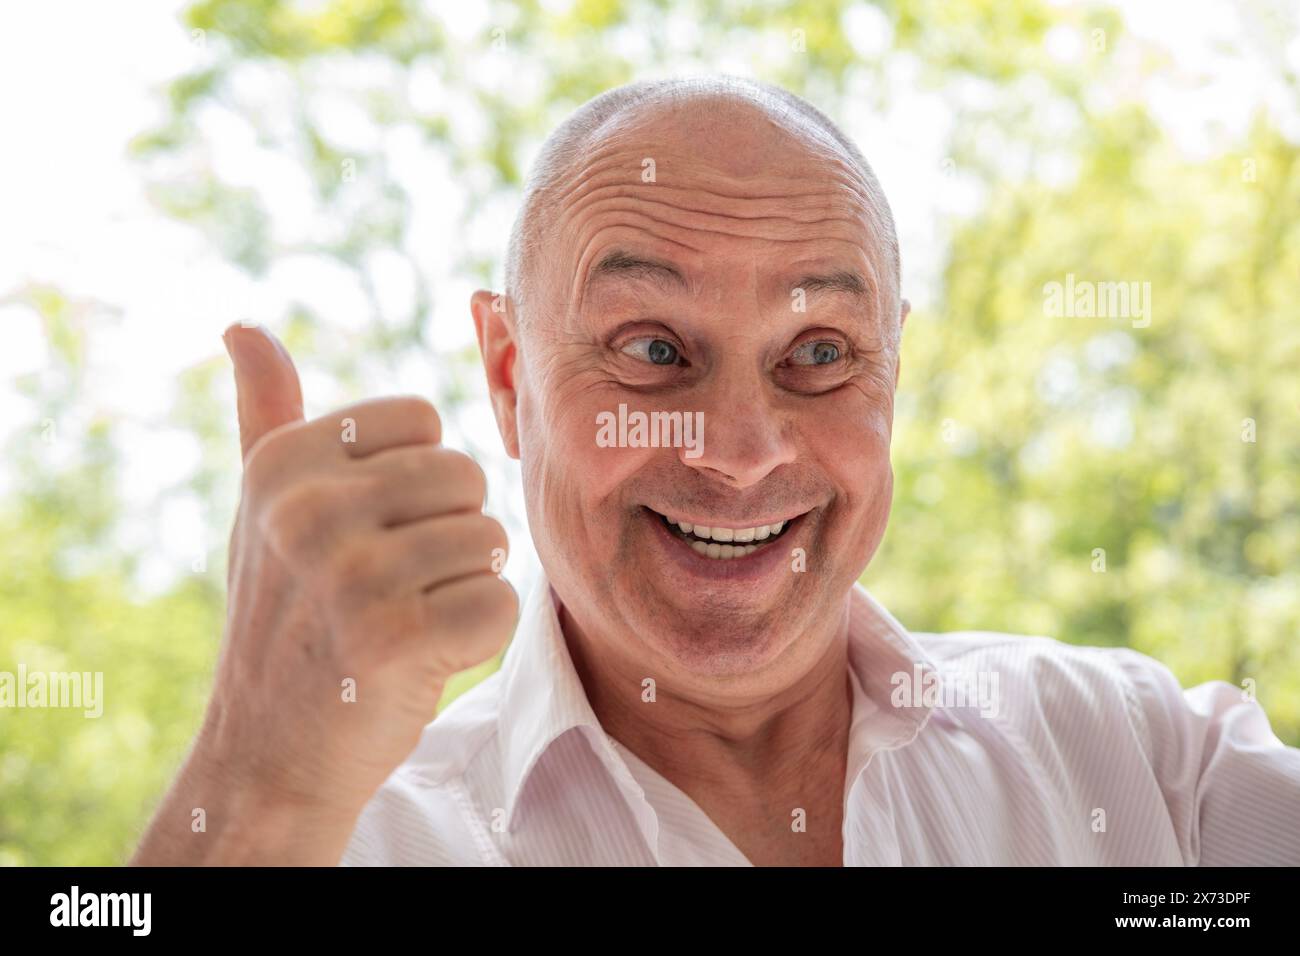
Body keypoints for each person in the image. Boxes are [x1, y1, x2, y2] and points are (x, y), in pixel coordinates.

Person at [132, 76, 1300, 867]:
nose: (741, 452)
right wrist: (253, 792)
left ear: (894, 370)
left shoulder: (1143, 770)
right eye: (652, 351)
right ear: (508, 375)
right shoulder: (358, 842)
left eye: (819, 354)